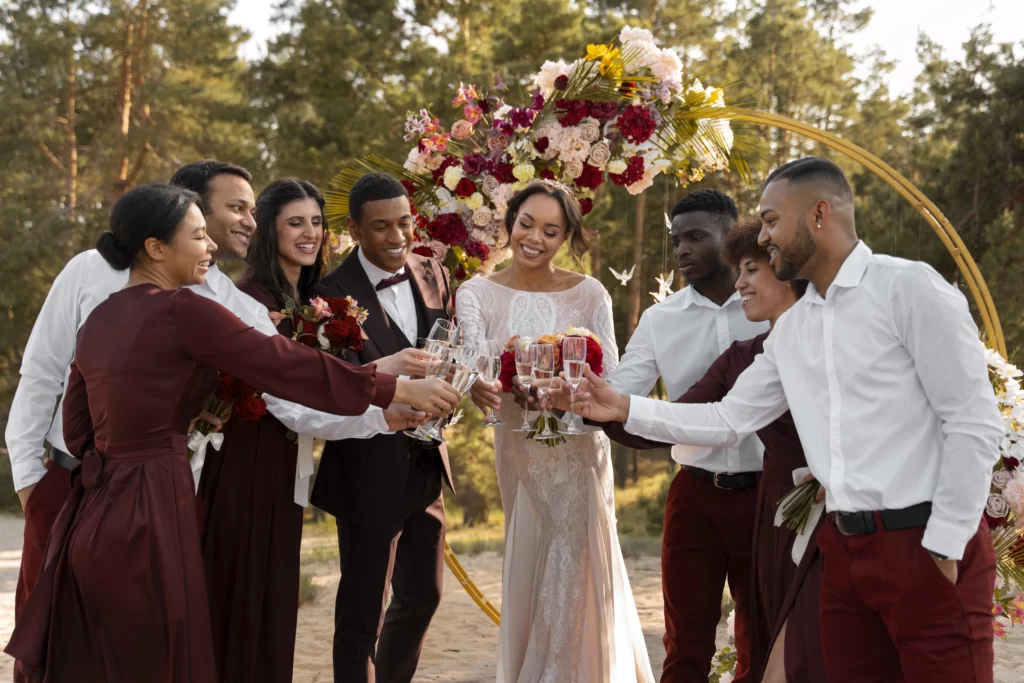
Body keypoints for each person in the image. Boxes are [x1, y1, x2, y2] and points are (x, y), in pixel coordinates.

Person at [557, 157, 1003, 683]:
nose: (763, 239)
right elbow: (728, 420)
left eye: (770, 222)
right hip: (843, 555)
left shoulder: (908, 288)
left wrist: (946, 542)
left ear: (819, 214)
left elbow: (973, 422)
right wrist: (624, 406)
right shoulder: (791, 330)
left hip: (925, 545)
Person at [4, 184, 458, 682]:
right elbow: (284, 365)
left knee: (105, 657)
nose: (212, 246)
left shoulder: (99, 319)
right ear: (156, 248)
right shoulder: (185, 309)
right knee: (163, 656)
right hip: (155, 505)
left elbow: (77, 426)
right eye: (199, 236)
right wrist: (392, 388)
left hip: (90, 511)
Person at [197, 178, 427, 683]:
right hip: (246, 459)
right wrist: (383, 395)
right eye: (294, 222)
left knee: (273, 597)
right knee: (244, 591)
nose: (309, 233)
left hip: (284, 461)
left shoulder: (307, 295)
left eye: (316, 222)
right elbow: (295, 397)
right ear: (268, 230)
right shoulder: (251, 299)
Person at [599, 218, 824, 682]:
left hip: (798, 510)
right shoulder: (752, 355)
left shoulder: (827, 334)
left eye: (751, 268)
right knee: (690, 642)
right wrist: (603, 408)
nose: (741, 281)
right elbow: (711, 418)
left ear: (785, 268)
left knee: (776, 643)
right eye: (738, 270)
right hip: (721, 501)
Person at [459, 179, 654, 683]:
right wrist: (487, 385)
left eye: (551, 230)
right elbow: (474, 361)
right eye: (527, 224)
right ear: (509, 222)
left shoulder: (590, 292)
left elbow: (609, 373)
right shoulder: (476, 291)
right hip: (520, 448)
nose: (535, 238)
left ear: (566, 236)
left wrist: (571, 386)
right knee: (536, 555)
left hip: (580, 449)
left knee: (579, 556)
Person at [308, 172, 459, 683]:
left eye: (405, 223)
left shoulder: (432, 271)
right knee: (361, 615)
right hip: (365, 470)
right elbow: (328, 386)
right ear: (353, 228)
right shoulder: (328, 294)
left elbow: (448, 351)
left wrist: (452, 394)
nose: (398, 238)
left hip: (426, 465)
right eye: (380, 227)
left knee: (424, 597)